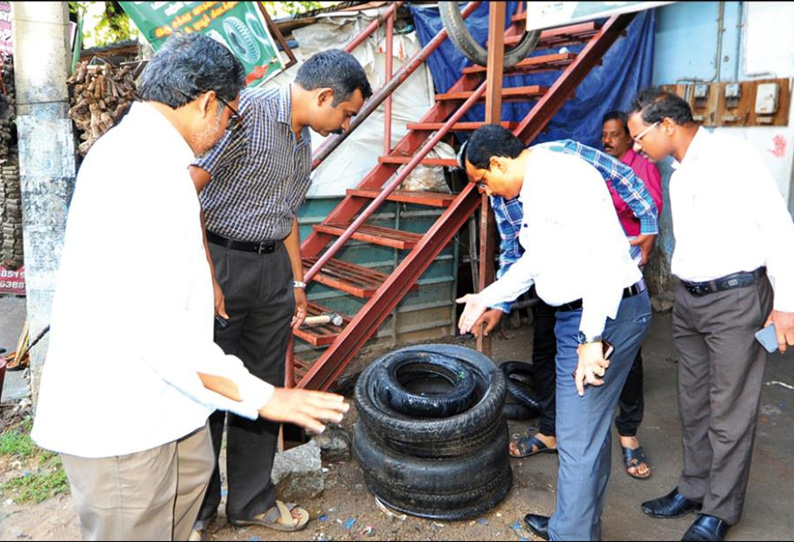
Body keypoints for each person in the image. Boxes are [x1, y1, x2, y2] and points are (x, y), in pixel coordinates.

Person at [30, 33, 349, 542]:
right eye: (230, 114)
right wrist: (265, 397)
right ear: (206, 103)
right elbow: (157, 332)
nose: (228, 127)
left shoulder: (157, 162)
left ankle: (236, 498)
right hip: (124, 424)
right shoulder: (137, 173)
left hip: (167, 411)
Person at [188, 50, 372, 536]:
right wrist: (206, 274)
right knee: (209, 386)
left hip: (272, 269)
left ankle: (250, 500)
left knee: (265, 387)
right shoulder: (244, 113)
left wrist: (296, 282)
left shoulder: (303, 138)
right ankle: (198, 508)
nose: (347, 124)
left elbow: (287, 213)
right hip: (220, 261)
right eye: (347, 113)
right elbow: (186, 190)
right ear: (324, 95)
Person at [457, 125, 652, 541]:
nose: (486, 191)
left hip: (602, 313)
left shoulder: (561, 180)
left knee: (578, 436)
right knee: (585, 432)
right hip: (584, 314)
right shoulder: (538, 182)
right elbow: (536, 260)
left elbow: (600, 258)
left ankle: (572, 534)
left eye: (483, 181)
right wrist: (488, 296)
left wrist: (590, 339)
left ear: (497, 163)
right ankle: (574, 524)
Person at [628, 88, 794, 541]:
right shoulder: (679, 173)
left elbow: (779, 226)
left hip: (736, 300)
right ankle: (694, 488)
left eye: (639, 137)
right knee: (695, 402)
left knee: (731, 409)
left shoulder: (732, 156)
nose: (636, 147)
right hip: (690, 301)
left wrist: (785, 305)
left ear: (667, 125)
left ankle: (719, 510)